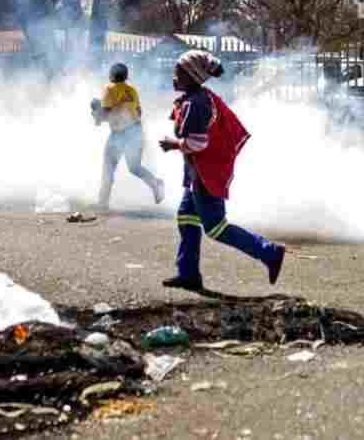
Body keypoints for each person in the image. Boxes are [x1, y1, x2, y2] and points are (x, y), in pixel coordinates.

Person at [158, 50, 286, 292]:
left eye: (179, 73)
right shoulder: (195, 98)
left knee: (216, 228)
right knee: (186, 218)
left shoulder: (196, 103)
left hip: (205, 176)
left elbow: (198, 143)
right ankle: (188, 274)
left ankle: (269, 252)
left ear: (192, 75)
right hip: (197, 174)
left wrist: (173, 144)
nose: (174, 77)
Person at [91, 63, 165, 210]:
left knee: (108, 167)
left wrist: (97, 115)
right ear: (126, 76)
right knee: (135, 167)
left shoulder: (110, 89)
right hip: (136, 131)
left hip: (119, 134)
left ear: (112, 75)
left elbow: (106, 112)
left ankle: (103, 202)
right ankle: (156, 183)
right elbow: (139, 112)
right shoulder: (132, 90)